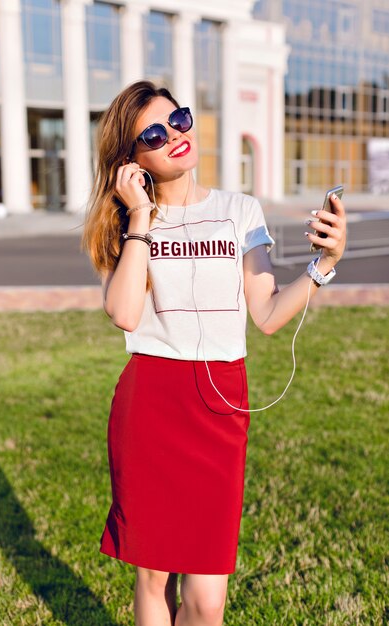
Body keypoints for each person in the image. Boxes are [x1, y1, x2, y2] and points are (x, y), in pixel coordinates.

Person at [81, 80, 346, 626]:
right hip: (151, 401)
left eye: (178, 119)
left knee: (207, 600)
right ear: (133, 162)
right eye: (154, 134)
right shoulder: (130, 221)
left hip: (221, 405)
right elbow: (125, 313)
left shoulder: (240, 210)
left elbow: (268, 315)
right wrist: (138, 216)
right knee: (153, 577)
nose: (176, 135)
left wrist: (323, 265)